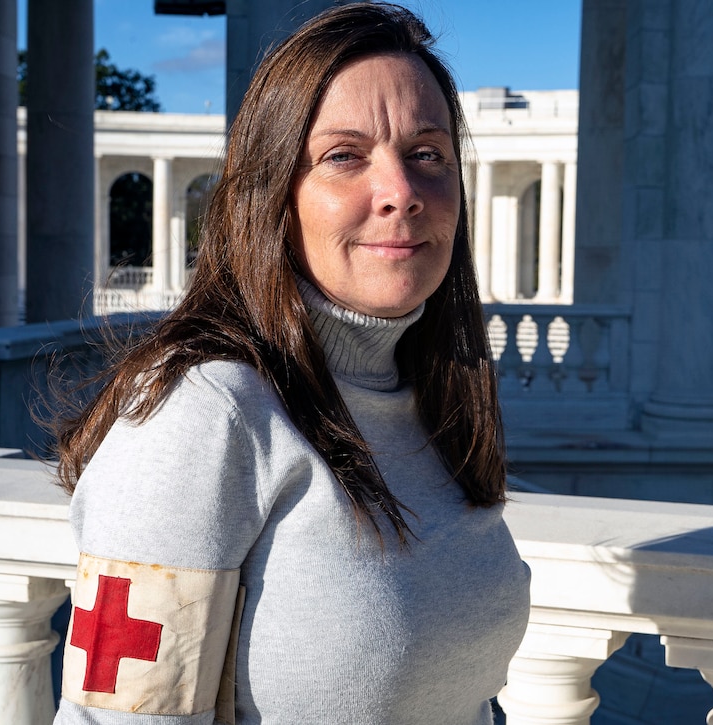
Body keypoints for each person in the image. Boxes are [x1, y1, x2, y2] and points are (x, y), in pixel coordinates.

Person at [51, 4, 531, 723]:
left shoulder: (434, 398)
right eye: (345, 156)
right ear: (275, 194)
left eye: (427, 153)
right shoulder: (204, 412)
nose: (400, 190)